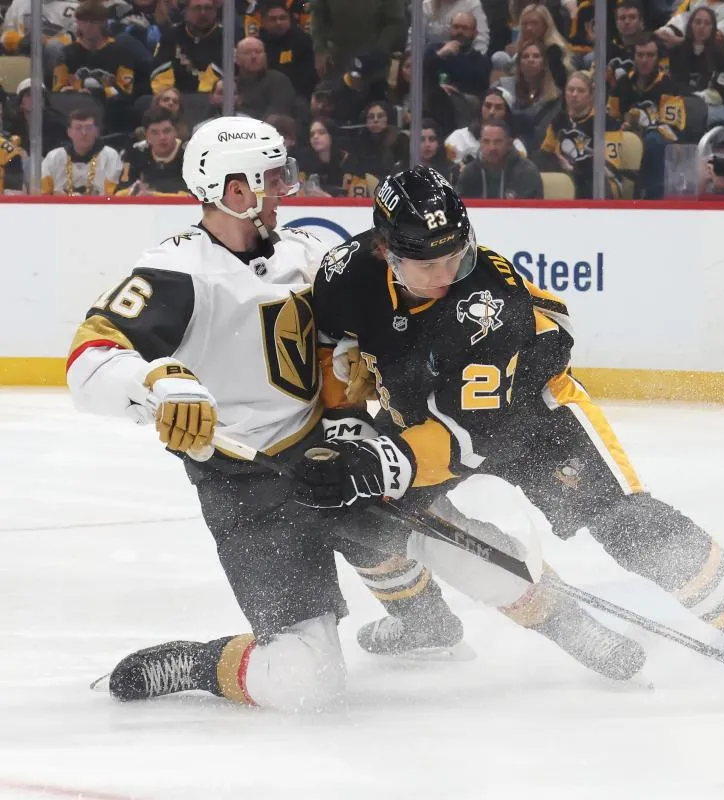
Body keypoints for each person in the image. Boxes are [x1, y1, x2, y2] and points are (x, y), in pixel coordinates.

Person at [66, 117, 634, 710]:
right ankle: (201, 663)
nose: (284, 187)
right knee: (304, 682)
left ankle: (563, 626)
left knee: (468, 548)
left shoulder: (307, 251)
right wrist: (158, 381)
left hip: (335, 449)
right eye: (271, 178)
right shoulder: (177, 273)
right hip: (249, 487)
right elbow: (89, 360)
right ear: (234, 189)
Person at [302, 166, 724, 698]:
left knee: (632, 526)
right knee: (354, 515)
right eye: (429, 264)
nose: (447, 274)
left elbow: (467, 439)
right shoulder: (345, 273)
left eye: (456, 254)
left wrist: (378, 462)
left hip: (538, 419)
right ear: (385, 252)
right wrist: (347, 427)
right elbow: (328, 349)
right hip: (424, 415)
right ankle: (441, 623)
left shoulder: (489, 306)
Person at [54, 0, 149, 136]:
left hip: (112, 111)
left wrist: (100, 93)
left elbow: (126, 91)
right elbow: (58, 89)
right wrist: (75, 92)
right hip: (75, 109)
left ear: (103, 23)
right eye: (84, 21)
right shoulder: (66, 53)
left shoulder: (121, 51)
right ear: (78, 23)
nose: (89, 26)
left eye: (94, 22)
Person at [609, 33, 687, 198]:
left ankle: (649, 199)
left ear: (658, 58)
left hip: (658, 143)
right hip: (627, 141)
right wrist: (621, 127)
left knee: (653, 141)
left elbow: (673, 129)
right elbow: (611, 118)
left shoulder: (668, 86)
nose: (645, 60)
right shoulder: (622, 85)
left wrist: (643, 131)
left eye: (650, 55)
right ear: (634, 57)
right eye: (640, 55)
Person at [539, 70, 623, 198]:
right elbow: (545, 154)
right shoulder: (558, 120)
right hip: (565, 177)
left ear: (590, 95)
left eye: (581, 91)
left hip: (600, 182)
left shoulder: (607, 122)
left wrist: (574, 169)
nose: (574, 94)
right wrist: (557, 163)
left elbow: (610, 167)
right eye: (570, 90)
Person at [668, 6, 724, 125]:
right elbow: (676, 83)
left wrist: (699, 98)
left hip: (715, 106)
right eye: (698, 22)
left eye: (707, 23)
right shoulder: (677, 51)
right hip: (683, 104)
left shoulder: (722, 55)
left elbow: (721, 90)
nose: (701, 27)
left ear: (713, 28)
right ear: (690, 25)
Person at [40, 110, 123, 195]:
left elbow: (115, 195)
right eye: (78, 128)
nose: (84, 133)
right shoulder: (54, 158)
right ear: (69, 132)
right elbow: (42, 194)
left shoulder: (110, 157)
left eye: (89, 128)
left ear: (96, 132)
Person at [455, 119, 544, 198]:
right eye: (486, 141)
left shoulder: (527, 172)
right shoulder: (470, 172)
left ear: (509, 144)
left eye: (498, 142)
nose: (492, 147)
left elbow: (534, 213)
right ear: (480, 143)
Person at [151, 0, 224, 95]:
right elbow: (160, 75)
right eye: (197, 8)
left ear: (215, 11)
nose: (203, 13)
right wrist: (168, 97)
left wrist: (202, 98)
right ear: (187, 11)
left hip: (210, 99)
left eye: (208, 8)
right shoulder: (171, 36)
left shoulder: (226, 38)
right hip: (175, 99)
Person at [116, 106, 188, 195]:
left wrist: (152, 195)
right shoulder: (134, 154)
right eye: (155, 133)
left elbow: (197, 194)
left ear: (176, 132)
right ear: (146, 135)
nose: (162, 137)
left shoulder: (191, 154)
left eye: (167, 131)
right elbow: (121, 192)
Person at [447, 86, 528, 163]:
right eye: (487, 106)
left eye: (498, 107)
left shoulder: (516, 147)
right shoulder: (459, 137)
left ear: (506, 113)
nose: (491, 112)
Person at [296, 117, 373, 196]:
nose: (315, 137)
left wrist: (327, 199)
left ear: (332, 135)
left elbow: (357, 205)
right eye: (312, 134)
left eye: (322, 132)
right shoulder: (305, 167)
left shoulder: (351, 164)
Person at [259, 0, 318, 99]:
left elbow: (308, 76)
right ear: (264, 21)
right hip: (264, 94)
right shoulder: (259, 43)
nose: (278, 23)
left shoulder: (302, 41)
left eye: (283, 18)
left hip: (296, 95)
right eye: (273, 19)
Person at [234, 36, 300, 120]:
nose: (254, 57)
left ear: (265, 56)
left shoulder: (278, 81)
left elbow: (277, 114)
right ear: (236, 58)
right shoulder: (230, 84)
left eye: (258, 52)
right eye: (247, 53)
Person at [428, 11, 492, 98]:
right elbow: (421, 71)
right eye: (456, 27)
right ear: (450, 29)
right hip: (432, 97)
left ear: (475, 33)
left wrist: (455, 90)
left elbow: (480, 92)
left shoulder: (481, 61)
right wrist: (440, 54)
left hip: (462, 102)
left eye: (465, 28)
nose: (459, 31)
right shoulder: (433, 49)